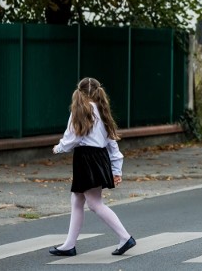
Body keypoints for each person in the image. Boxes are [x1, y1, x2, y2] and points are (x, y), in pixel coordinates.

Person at [49, 77, 136, 257]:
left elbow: (73, 138)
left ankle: (125, 237)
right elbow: (112, 144)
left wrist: (59, 148)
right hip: (100, 157)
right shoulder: (103, 111)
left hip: (85, 158)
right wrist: (116, 169)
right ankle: (69, 245)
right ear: (98, 92)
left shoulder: (80, 111)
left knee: (95, 203)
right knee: (77, 199)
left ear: (79, 92)